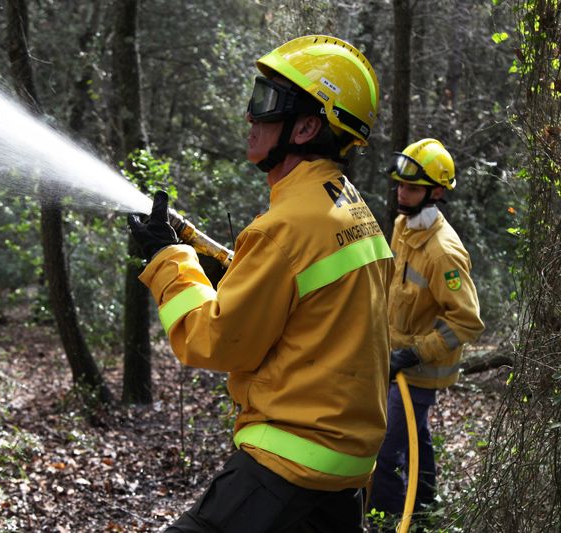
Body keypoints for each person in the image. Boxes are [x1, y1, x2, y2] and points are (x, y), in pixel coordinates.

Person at [128, 35, 392, 532]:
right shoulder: (349, 208)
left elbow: (212, 340)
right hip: (346, 468)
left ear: (308, 125)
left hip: (289, 463)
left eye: (266, 103)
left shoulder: (284, 227)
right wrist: (198, 249)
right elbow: (299, 294)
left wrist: (166, 259)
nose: (251, 117)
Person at [368, 139, 485, 526]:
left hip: (418, 370)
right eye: (400, 185)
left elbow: (466, 321)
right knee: (416, 435)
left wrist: (414, 353)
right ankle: (424, 505)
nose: (402, 193)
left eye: (411, 188)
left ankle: (386, 519)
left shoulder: (444, 253)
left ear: (436, 192)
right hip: (393, 359)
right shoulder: (403, 225)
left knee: (385, 452)